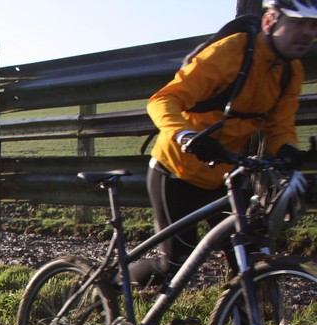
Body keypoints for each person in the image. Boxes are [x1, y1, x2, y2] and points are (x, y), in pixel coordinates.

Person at [129, 0, 317, 288]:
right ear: (269, 22)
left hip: (225, 175)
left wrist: (287, 150)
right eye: (298, 22)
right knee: (173, 265)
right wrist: (185, 135)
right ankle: (112, 284)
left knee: (248, 257)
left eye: (313, 26)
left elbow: (280, 126)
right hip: (177, 169)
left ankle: (239, 318)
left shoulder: (291, 71)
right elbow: (164, 99)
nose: (307, 33)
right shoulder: (232, 51)